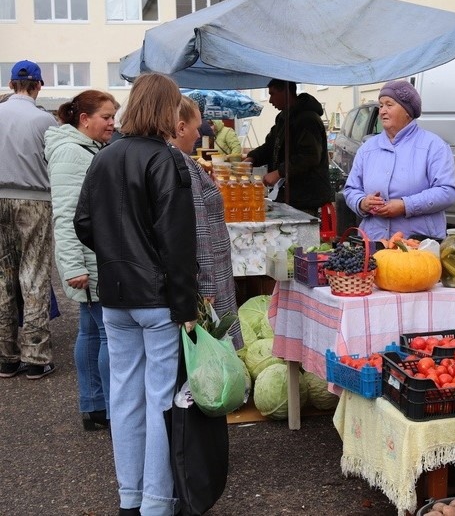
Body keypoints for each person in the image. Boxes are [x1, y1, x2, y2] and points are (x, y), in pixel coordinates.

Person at [74, 73, 198, 516]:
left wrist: (115, 256)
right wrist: (186, 305)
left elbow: (83, 223)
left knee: (124, 398)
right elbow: (178, 242)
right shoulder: (166, 160)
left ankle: (131, 498)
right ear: (167, 110)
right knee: (160, 400)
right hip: (157, 297)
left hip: (115, 294)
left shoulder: (104, 157)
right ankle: (157, 503)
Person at [45, 90, 118, 431]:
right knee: (105, 334)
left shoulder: (86, 148)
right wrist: (74, 266)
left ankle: (95, 406)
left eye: (113, 116)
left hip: (93, 255)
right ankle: (112, 407)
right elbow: (66, 215)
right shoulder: (72, 154)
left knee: (90, 330)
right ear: (84, 119)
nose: (112, 123)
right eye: (106, 117)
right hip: (88, 260)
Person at [343, 79, 455, 241]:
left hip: (418, 244)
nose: (382, 111)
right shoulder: (368, 148)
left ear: (407, 111)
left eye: (389, 105)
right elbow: (350, 189)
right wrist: (362, 202)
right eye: (381, 105)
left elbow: (447, 192)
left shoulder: (433, 146)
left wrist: (406, 205)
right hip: (375, 242)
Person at [0, 60, 58, 379]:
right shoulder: (44, 121)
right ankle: (35, 356)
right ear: (38, 86)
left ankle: (5, 356)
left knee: (2, 276)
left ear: (10, 85)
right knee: (33, 274)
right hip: (34, 199)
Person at [171, 95, 243, 349]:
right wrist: (207, 286)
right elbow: (198, 227)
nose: (198, 136)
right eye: (196, 128)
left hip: (208, 269)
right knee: (214, 344)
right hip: (209, 273)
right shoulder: (183, 165)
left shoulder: (179, 161)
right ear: (180, 128)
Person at [246, 79, 333, 216]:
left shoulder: (308, 119)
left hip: (306, 196)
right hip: (288, 193)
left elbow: (309, 156)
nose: (270, 100)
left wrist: (279, 172)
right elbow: (270, 146)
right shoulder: (283, 118)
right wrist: (252, 158)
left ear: (286, 92)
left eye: (272, 94)